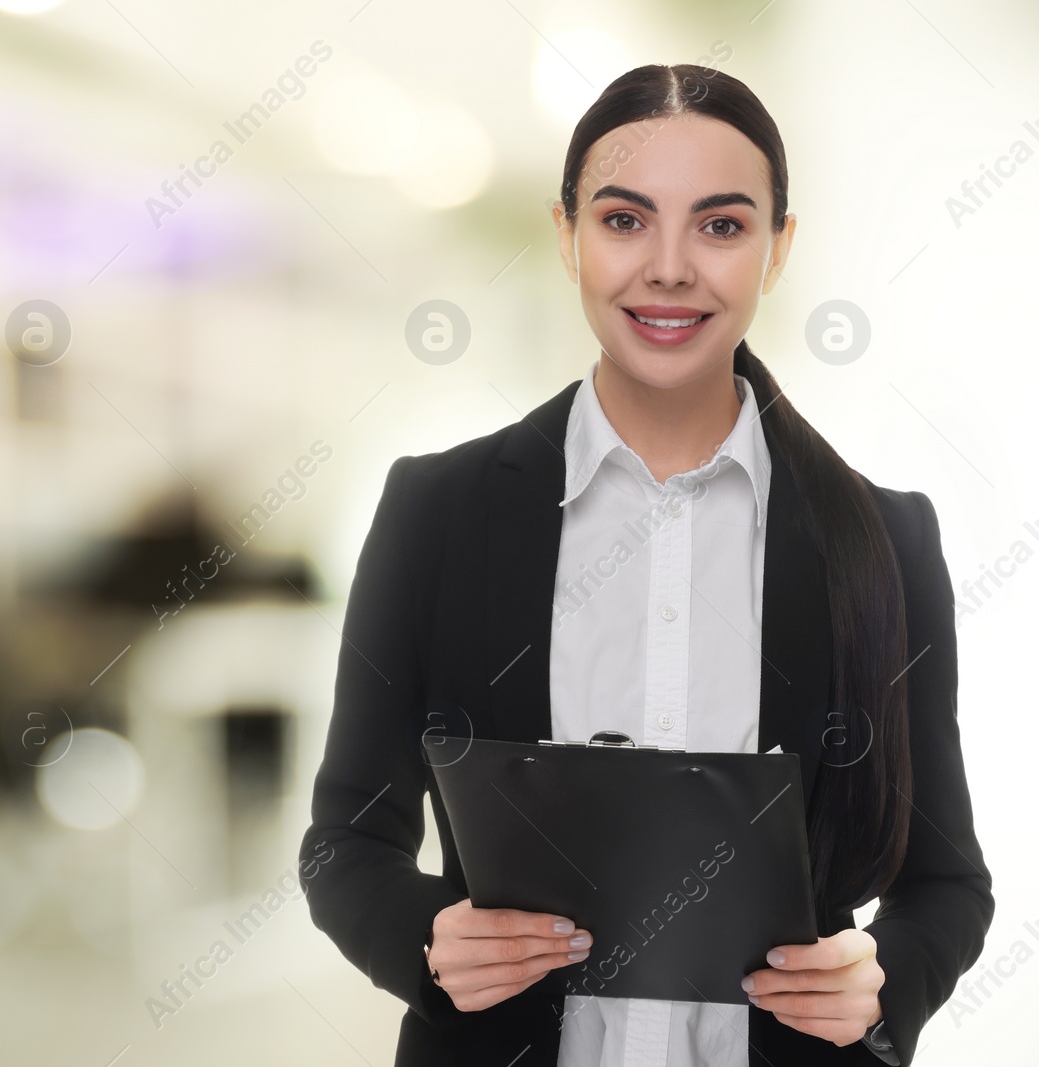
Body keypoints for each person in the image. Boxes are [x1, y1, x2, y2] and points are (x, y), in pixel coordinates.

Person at [297, 63, 994, 1067]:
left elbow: (947, 881)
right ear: (567, 234)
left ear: (777, 247)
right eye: (624, 220)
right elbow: (343, 840)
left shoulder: (885, 538)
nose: (668, 268)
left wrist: (880, 978)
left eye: (720, 226)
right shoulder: (435, 512)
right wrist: (424, 938)